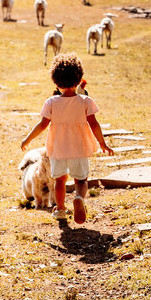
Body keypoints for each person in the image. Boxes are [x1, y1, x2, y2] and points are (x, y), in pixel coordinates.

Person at [21, 53, 114, 224]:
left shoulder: (51, 102)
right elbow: (94, 124)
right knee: (81, 179)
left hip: (58, 150)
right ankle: (79, 197)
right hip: (79, 148)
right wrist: (103, 143)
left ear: (56, 82)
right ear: (79, 80)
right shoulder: (86, 101)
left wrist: (27, 140)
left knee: (60, 181)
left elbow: (42, 125)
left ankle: (61, 209)